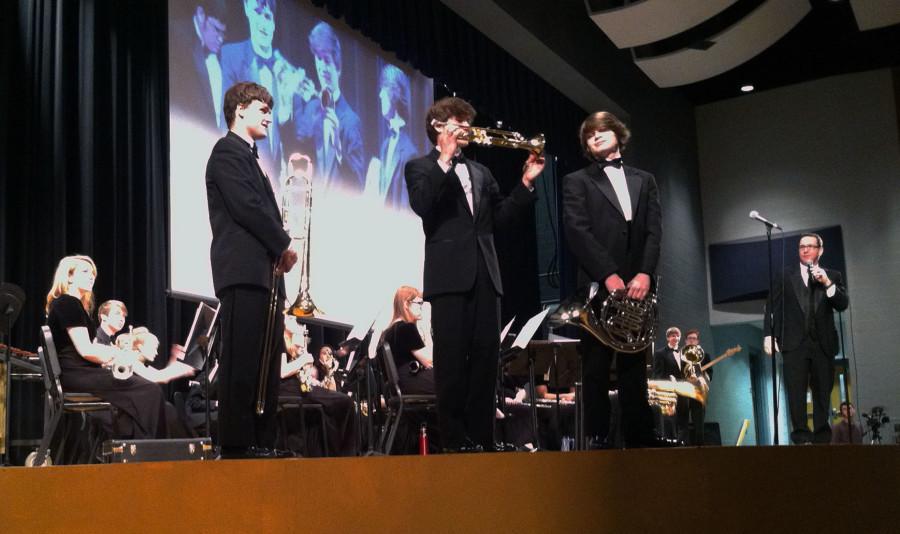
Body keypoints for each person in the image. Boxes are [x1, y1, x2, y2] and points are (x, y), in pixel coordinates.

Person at [404, 96, 544, 453]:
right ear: (438, 126)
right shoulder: (419, 167)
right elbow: (423, 205)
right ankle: (454, 443)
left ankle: (483, 439)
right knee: (451, 362)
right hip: (449, 278)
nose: (466, 126)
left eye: (468, 121)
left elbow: (501, 220)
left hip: (486, 275)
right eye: (457, 120)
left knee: (485, 362)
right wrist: (445, 158)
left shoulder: (481, 172)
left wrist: (525, 184)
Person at [205, 81, 298, 459]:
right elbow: (246, 207)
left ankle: (262, 439)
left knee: (265, 360)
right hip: (243, 271)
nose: (269, 117)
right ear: (239, 109)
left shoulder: (250, 158)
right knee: (242, 359)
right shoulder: (227, 152)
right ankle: (237, 443)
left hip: (264, 274)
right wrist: (284, 243)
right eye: (262, 109)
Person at [562, 111, 661, 449]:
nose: (596, 137)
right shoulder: (577, 180)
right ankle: (597, 437)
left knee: (635, 363)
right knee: (596, 367)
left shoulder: (645, 179)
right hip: (597, 284)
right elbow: (577, 232)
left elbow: (653, 231)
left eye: (602, 131)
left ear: (619, 134)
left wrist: (645, 272)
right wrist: (608, 274)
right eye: (590, 135)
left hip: (638, 284)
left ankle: (639, 437)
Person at [44, 255, 167, 439]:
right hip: (76, 374)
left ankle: (137, 449)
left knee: (141, 395)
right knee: (150, 391)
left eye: (93, 273)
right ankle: (151, 456)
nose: (91, 276)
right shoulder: (67, 303)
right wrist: (117, 353)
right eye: (85, 272)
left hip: (80, 373)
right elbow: (86, 350)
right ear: (69, 277)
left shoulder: (73, 305)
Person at [765, 232, 849, 444]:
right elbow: (771, 306)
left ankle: (822, 436)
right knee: (796, 392)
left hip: (823, 343)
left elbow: (842, 304)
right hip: (794, 343)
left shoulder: (834, 275)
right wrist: (768, 334)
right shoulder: (784, 275)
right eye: (802, 246)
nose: (805, 249)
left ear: (820, 250)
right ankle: (801, 436)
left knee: (822, 392)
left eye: (810, 246)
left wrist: (827, 282)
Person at [293, 20, 365, 194]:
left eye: (327, 60)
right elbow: (295, 144)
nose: (322, 67)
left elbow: (359, 182)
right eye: (318, 59)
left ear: (337, 66)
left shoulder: (351, 121)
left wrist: (339, 149)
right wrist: (295, 96)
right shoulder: (311, 108)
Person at [220, 0, 289, 178]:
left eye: (267, 16)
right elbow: (224, 122)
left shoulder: (282, 68)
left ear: (274, 23)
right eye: (257, 13)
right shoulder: (231, 55)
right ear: (247, 11)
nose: (262, 23)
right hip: (243, 168)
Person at [279, 318, 357, 456]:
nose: (297, 321)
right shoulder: (279, 339)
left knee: (340, 405)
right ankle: (344, 455)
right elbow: (282, 371)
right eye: (291, 317)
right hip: (289, 390)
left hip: (300, 388)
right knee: (345, 403)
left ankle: (331, 454)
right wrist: (304, 360)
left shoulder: (292, 342)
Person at [364, 64, 418, 210]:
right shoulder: (385, 144)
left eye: (384, 88)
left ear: (395, 92)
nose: (380, 94)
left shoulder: (409, 152)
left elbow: (405, 206)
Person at [170, 1, 229, 129]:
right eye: (217, 30)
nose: (221, 39)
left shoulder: (219, 53)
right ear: (201, 15)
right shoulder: (174, 36)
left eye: (224, 34)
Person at [381, 286, 435, 395]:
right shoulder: (406, 327)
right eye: (419, 303)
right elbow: (429, 361)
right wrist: (428, 327)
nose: (421, 307)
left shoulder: (387, 332)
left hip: (400, 386)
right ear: (406, 304)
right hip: (411, 382)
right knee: (453, 381)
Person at [680, 329, 711, 445]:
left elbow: (710, 373)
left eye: (694, 338)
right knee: (682, 423)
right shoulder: (680, 355)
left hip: (698, 393)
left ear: (697, 341)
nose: (692, 340)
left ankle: (700, 449)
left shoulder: (705, 356)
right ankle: (682, 448)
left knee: (699, 423)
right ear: (686, 341)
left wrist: (702, 378)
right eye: (689, 338)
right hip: (683, 392)